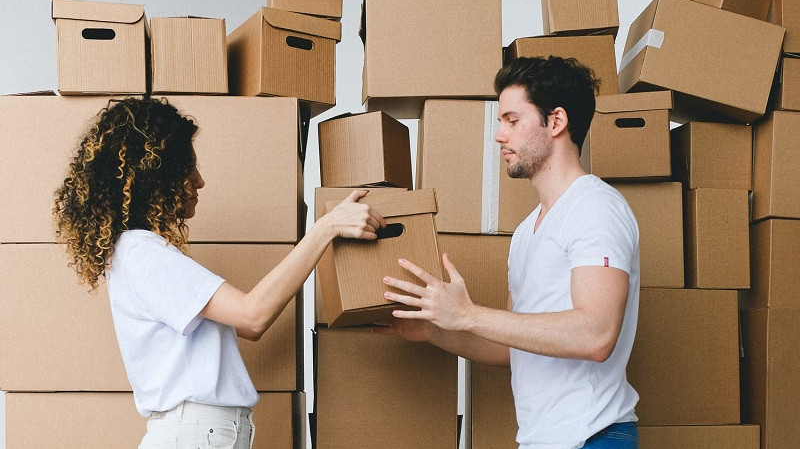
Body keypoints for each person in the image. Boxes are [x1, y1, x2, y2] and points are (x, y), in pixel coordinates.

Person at [54, 96, 385, 449]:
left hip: (200, 432)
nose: (200, 181)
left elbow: (246, 326)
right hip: (196, 434)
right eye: (188, 169)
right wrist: (325, 229)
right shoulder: (142, 251)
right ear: (159, 177)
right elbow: (253, 315)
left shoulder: (139, 253)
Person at [378, 56, 641, 449]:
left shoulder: (595, 208)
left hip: (591, 436)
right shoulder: (525, 232)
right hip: (542, 440)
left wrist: (467, 313)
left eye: (513, 121)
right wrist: (434, 330)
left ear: (556, 122)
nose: (500, 136)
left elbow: (597, 334)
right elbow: (511, 346)